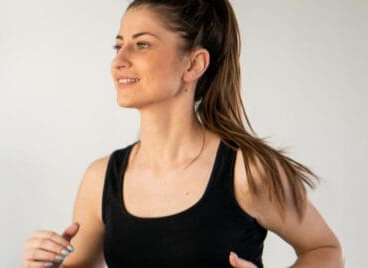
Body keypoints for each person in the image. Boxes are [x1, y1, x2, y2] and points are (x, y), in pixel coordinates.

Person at [22, 0, 344, 267]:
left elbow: (326, 251)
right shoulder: (101, 179)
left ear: (193, 65)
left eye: (142, 44)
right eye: (118, 45)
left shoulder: (246, 171)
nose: (119, 60)